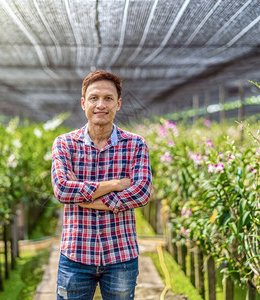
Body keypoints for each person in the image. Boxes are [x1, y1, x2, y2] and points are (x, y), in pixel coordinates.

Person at [51, 70, 152, 300]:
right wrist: (116, 184)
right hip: (76, 254)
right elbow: (63, 189)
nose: (100, 105)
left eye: (108, 98)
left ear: (118, 103)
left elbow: (142, 192)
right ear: (83, 103)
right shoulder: (65, 144)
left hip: (121, 255)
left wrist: (86, 201)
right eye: (94, 98)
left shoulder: (135, 144)